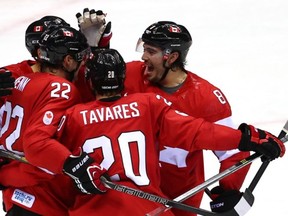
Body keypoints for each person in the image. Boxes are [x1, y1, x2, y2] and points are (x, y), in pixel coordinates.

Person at [56, 48, 285, 215]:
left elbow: (43, 152)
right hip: (149, 208)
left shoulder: (72, 116)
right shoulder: (147, 105)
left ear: (89, 81)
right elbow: (198, 132)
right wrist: (248, 138)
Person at [74, 10, 251, 215]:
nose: (143, 56)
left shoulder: (206, 97)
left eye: (150, 51)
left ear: (172, 57)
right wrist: (96, 49)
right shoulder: (131, 74)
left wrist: (228, 190)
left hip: (179, 200)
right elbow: (91, 91)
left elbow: (233, 152)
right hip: (131, 197)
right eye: (144, 48)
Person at [0, 25, 90, 216]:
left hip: (17, 198)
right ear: (67, 61)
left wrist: (3, 175)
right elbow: (41, 154)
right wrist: (72, 164)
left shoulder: (18, 81)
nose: (84, 65)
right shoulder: (63, 90)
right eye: (80, 58)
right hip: (43, 202)